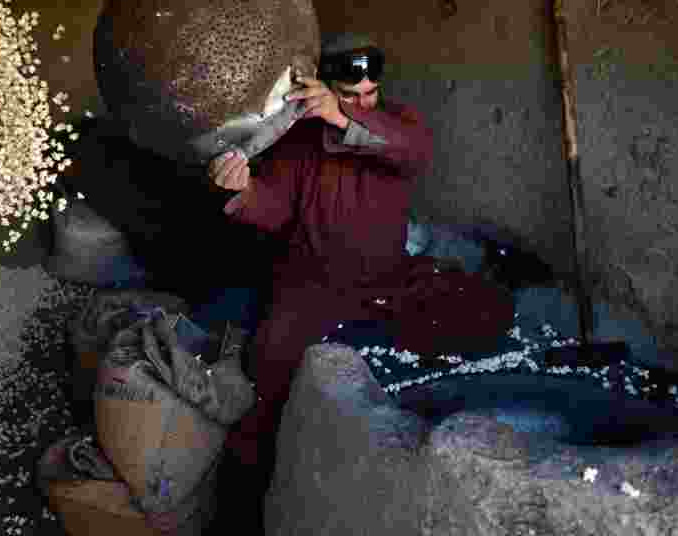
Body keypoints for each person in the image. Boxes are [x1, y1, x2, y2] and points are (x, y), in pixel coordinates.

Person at [207, 33, 516, 476]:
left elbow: (413, 151)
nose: (363, 102)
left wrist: (343, 114)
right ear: (325, 89)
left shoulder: (395, 123)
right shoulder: (299, 142)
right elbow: (273, 208)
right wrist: (244, 189)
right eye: (349, 94)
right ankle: (259, 478)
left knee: (485, 307)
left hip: (387, 277)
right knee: (269, 363)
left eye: (370, 93)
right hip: (312, 283)